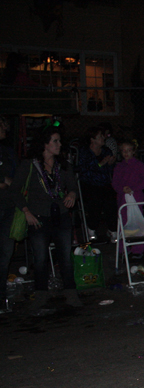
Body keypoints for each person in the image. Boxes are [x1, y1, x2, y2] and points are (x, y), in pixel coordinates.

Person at [13, 127, 83, 310]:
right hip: (38, 218)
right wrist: (26, 212)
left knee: (65, 257)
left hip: (60, 216)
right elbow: (15, 190)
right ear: (45, 144)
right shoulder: (29, 165)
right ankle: (41, 294)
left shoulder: (63, 164)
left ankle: (70, 292)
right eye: (55, 141)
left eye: (60, 141)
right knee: (40, 258)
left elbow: (73, 185)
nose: (59, 145)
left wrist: (73, 194)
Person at [111, 140, 144, 260]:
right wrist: (121, 189)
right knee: (124, 223)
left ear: (133, 151)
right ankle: (123, 249)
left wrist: (134, 188)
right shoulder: (119, 166)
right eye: (124, 151)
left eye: (129, 150)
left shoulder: (139, 165)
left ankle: (137, 249)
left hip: (136, 197)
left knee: (137, 223)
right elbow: (115, 182)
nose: (126, 153)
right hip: (123, 199)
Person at [77, 126, 117, 241]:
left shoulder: (106, 151)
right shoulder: (85, 152)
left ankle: (112, 229)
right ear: (92, 139)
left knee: (111, 201)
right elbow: (84, 171)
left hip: (104, 182)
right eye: (100, 136)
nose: (103, 138)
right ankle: (91, 228)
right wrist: (100, 164)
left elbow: (109, 170)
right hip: (89, 183)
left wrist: (110, 164)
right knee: (95, 201)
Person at [0, 116, 17, 312]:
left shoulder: (8, 152)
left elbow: (15, 181)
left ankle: (2, 297)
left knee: (5, 253)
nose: (6, 128)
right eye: (2, 125)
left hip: (8, 208)